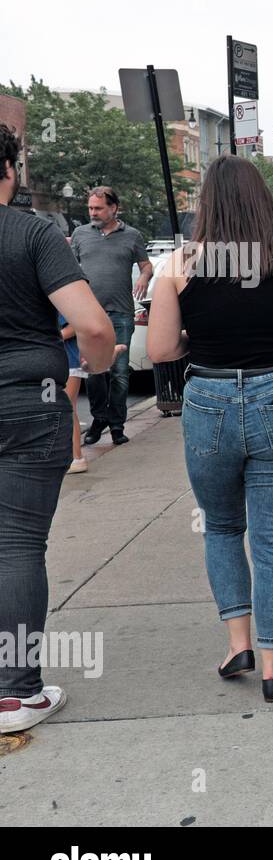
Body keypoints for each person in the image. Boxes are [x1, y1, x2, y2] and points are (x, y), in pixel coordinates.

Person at [147, 154, 273, 704]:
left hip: (207, 402)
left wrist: (200, 348)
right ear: (262, 202)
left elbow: (160, 350)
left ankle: (238, 644)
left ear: (206, 205)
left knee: (224, 528)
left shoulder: (180, 265)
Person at [0, 123, 120, 733]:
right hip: (28, 401)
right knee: (18, 545)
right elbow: (94, 327)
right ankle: (15, 694)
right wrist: (96, 374)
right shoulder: (34, 233)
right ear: (11, 170)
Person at [70, 186, 152, 447]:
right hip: (90, 314)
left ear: (113, 208)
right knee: (94, 370)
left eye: (98, 208)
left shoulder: (132, 236)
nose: (92, 213)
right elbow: (69, 269)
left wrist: (144, 276)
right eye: (90, 208)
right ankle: (98, 419)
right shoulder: (80, 234)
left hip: (121, 312)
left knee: (119, 372)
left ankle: (117, 425)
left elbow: (146, 264)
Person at [59, 314, 88, 474]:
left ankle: (76, 457)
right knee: (63, 408)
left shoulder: (58, 299)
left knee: (67, 408)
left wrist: (50, 337)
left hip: (68, 361)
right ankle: (73, 457)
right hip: (61, 360)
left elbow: (75, 326)